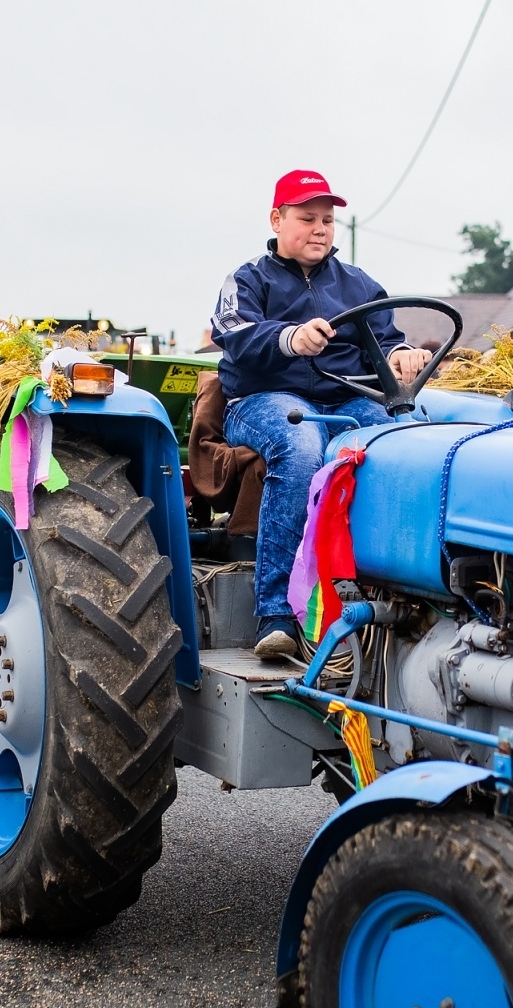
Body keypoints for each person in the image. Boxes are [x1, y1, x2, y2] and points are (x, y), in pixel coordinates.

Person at [212, 169, 432, 659]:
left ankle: (406, 599)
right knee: (303, 446)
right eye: (307, 217)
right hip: (263, 400)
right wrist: (288, 339)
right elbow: (236, 333)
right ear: (277, 218)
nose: (320, 228)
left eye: (328, 220)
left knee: (405, 439)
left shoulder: (358, 285)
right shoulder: (248, 280)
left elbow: (386, 344)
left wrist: (401, 356)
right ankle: (277, 615)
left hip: (343, 399)